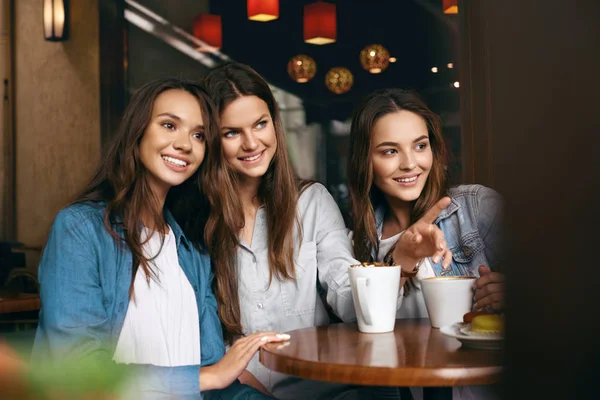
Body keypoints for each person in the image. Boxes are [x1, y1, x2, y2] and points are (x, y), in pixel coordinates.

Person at [199, 62, 453, 400]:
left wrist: (400, 265)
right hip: (238, 389)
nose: (251, 143)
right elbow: (195, 331)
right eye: (232, 132)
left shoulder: (311, 202)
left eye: (261, 124)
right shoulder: (195, 217)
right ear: (212, 139)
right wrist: (240, 385)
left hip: (326, 387)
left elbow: (348, 300)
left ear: (275, 124)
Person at [31, 78, 289, 399]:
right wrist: (207, 377)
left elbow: (215, 381)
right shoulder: (80, 229)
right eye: (169, 125)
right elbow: (78, 368)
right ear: (137, 132)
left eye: (198, 135)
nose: (185, 144)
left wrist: (218, 379)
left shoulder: (192, 249)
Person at [347, 88, 504, 399]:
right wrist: (399, 260)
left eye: (420, 146)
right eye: (389, 151)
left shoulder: (475, 208)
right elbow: (357, 335)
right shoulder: (358, 245)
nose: (409, 164)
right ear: (365, 160)